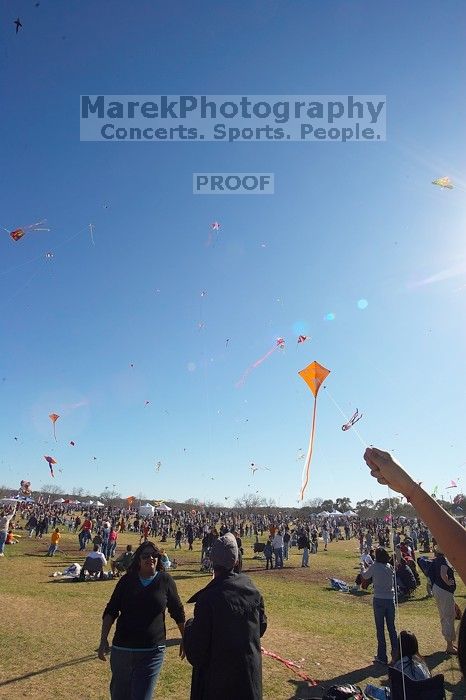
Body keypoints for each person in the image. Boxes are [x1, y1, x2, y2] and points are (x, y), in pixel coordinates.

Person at [363, 446, 466, 676]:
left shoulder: (385, 566)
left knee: (384, 629)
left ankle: (386, 654)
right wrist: (407, 487)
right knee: (389, 629)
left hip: (384, 600)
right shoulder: (393, 566)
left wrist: (409, 488)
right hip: (392, 600)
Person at [184, 532, 267, 699]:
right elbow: (261, 627)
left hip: (218, 685)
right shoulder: (251, 589)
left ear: (213, 561)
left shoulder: (208, 598)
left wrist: (190, 626)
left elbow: (196, 652)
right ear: (236, 561)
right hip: (247, 682)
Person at [98, 541, 185, 700]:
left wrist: (185, 638)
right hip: (122, 651)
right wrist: (103, 639)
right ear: (138, 559)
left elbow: (177, 612)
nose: (150, 558)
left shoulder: (165, 581)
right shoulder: (127, 581)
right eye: (146, 556)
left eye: (155, 555)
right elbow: (111, 611)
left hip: (151, 652)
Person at [362, 547, 398, 665]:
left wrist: (362, 567)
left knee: (380, 628)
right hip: (390, 599)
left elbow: (366, 576)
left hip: (379, 599)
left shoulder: (375, 566)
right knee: (392, 628)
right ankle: (396, 654)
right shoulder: (389, 567)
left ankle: (382, 656)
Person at [431, 549, 457, 654]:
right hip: (444, 590)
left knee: (444, 615)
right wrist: (448, 582)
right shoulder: (442, 560)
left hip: (437, 589)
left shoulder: (437, 559)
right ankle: (449, 645)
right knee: (449, 616)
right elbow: (443, 573)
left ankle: (449, 642)